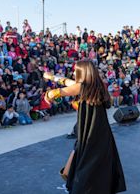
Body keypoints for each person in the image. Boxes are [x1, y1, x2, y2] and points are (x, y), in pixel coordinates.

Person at [44, 60, 126, 194]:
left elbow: (59, 91)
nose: (74, 72)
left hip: (91, 133)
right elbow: (67, 82)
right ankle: (75, 182)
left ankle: (79, 187)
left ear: (82, 72)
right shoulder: (96, 85)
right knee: (89, 159)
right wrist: (52, 77)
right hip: (99, 131)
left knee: (87, 163)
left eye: (76, 70)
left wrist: (49, 95)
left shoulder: (83, 87)